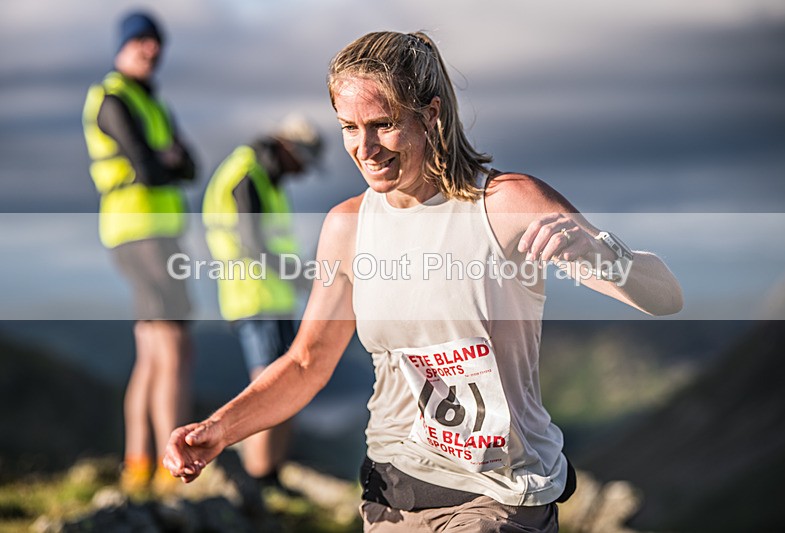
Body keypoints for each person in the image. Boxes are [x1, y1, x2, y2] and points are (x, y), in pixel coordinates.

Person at [165, 31, 683, 531]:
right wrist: (218, 431)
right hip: (393, 496)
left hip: (501, 496)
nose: (364, 147)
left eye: (383, 123)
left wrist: (598, 251)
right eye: (348, 127)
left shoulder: (506, 204)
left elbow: (665, 298)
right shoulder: (347, 227)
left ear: (430, 114)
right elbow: (305, 363)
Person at [82, 10, 195, 496]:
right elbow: (152, 168)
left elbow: (189, 165)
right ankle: (172, 469)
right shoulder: (112, 98)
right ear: (123, 46)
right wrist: (163, 158)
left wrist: (165, 159)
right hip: (137, 235)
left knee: (155, 351)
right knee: (170, 346)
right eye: (141, 42)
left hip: (159, 235)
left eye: (156, 43)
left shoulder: (153, 103)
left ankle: (139, 461)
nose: (150, 50)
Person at [202, 115, 323, 490]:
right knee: (269, 389)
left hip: (272, 297)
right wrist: (300, 276)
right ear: (290, 147)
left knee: (286, 385)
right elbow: (253, 243)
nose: (302, 172)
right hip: (255, 297)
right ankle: (259, 479)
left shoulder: (265, 177)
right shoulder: (248, 173)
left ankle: (270, 474)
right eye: (303, 162)